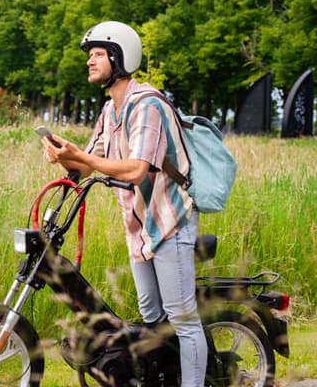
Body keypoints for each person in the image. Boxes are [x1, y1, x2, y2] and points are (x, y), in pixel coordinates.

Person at [41, 20, 205, 387]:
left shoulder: (147, 105)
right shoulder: (109, 113)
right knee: (151, 315)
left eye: (98, 54)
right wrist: (64, 155)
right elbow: (87, 164)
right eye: (90, 55)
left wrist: (87, 160)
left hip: (169, 223)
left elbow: (136, 170)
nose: (90, 61)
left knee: (181, 318)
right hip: (138, 230)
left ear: (118, 57)